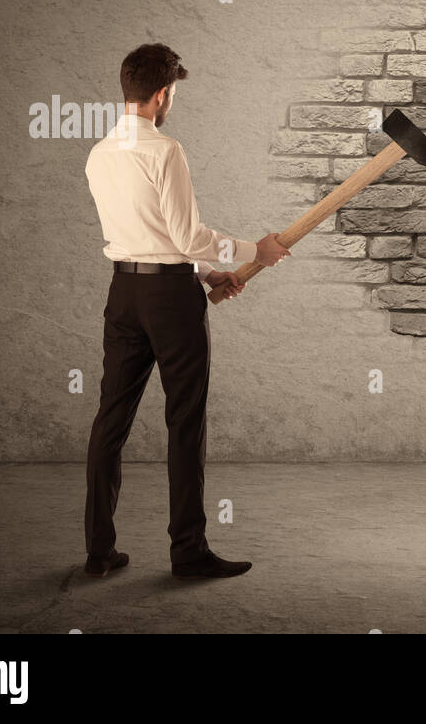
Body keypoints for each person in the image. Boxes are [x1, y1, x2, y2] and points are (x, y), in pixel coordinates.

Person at [81, 43, 289, 579]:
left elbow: (145, 237)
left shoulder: (98, 153)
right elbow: (186, 235)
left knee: (110, 421)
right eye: (171, 93)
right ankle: (187, 552)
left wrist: (201, 273)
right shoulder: (165, 150)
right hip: (170, 302)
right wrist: (254, 251)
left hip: (123, 294)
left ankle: (99, 551)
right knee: (185, 421)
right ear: (161, 95)